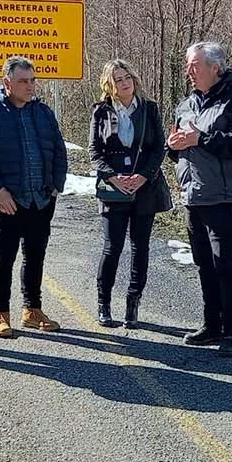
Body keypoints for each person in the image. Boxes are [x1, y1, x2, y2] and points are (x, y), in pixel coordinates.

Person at [167, 41, 232, 357]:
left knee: (226, 265)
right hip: (192, 193)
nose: (189, 71)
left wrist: (200, 138)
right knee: (204, 264)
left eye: (194, 65)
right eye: (187, 65)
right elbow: (175, 150)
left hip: (224, 196)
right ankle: (212, 325)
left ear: (215, 67)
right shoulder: (187, 104)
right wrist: (174, 144)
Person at [0, 55, 69, 338]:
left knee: (35, 256)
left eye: (32, 80)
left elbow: (59, 151)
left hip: (41, 200)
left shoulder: (44, 113)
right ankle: (0, 314)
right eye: (23, 81)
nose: (30, 86)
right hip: (8, 202)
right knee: (3, 260)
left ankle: (32, 310)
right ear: (7, 83)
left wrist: (56, 185)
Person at [89, 59, 174, 327]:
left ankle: (133, 303)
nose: (124, 83)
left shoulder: (149, 110)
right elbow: (94, 152)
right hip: (113, 190)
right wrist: (113, 178)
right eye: (118, 79)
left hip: (144, 189)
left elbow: (158, 147)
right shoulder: (100, 112)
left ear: (134, 79)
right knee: (112, 247)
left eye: (127, 77)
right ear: (109, 85)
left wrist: (141, 177)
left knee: (140, 248)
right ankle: (104, 304)